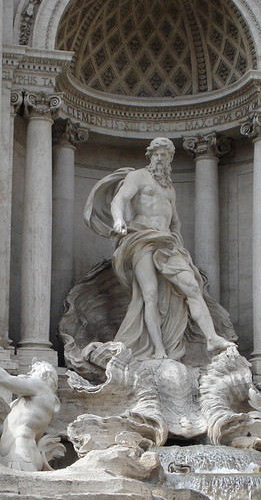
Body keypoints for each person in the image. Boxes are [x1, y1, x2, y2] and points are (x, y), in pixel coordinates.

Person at [84, 137, 234, 361]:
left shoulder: (169, 189)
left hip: (167, 243)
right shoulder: (138, 176)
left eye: (166, 154)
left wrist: (177, 242)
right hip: (141, 238)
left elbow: (175, 222)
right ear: (150, 155)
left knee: (192, 287)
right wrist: (118, 220)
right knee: (150, 295)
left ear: (171, 159)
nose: (161, 158)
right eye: (158, 154)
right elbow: (119, 199)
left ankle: (211, 338)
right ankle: (159, 349)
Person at [0, 337, 61, 471]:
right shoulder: (26, 403)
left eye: (33, 372)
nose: (28, 374)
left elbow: (2, 378)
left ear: (44, 376)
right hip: (5, 454)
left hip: (21, 453)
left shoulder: (42, 388)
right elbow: (3, 431)